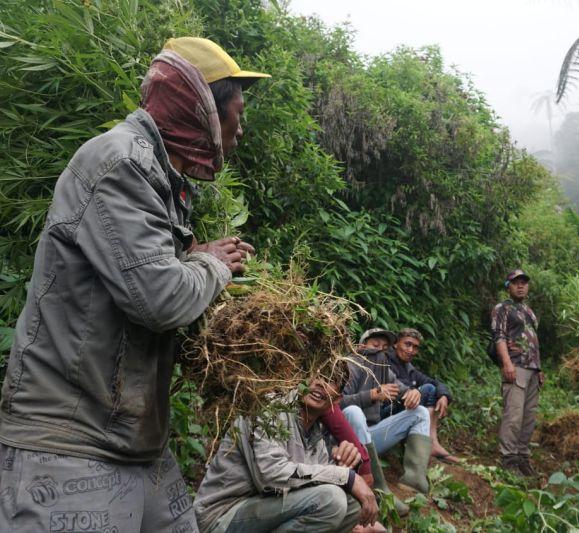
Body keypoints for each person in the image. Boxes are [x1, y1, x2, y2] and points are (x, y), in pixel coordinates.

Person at [0, 37, 267, 531]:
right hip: (70, 445)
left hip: (133, 443)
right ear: (200, 108)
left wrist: (191, 261)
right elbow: (161, 298)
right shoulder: (121, 162)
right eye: (237, 113)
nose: (241, 130)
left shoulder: (160, 179)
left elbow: (145, 282)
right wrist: (212, 268)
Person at [193, 374, 379, 533]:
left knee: (353, 504)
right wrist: (344, 475)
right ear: (302, 379)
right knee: (331, 500)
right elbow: (271, 477)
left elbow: (308, 483)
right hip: (222, 516)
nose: (320, 382)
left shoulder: (316, 435)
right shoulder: (266, 408)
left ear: (336, 400)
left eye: (331, 380)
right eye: (317, 374)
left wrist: (341, 466)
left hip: (263, 510)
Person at [341, 328, 431, 514]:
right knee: (354, 411)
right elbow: (336, 403)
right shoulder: (351, 365)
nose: (379, 351)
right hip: (345, 442)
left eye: (384, 348)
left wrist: (414, 393)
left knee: (420, 412)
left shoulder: (383, 369)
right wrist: (372, 395)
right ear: (361, 346)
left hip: (370, 438)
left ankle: (413, 479)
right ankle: (380, 490)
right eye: (375, 346)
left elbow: (403, 390)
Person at [491, 269, 543, 477]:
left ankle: (522, 457)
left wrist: (539, 368)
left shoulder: (529, 311)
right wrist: (506, 363)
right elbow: (499, 336)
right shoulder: (502, 308)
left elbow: (533, 341)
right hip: (516, 366)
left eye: (524, 282)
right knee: (514, 414)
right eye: (516, 283)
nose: (520, 286)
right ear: (508, 286)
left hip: (532, 368)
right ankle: (509, 459)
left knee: (528, 416)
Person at [387, 328, 459, 464]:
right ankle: (430, 444)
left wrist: (444, 395)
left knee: (434, 390)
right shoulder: (384, 361)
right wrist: (414, 392)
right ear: (396, 344)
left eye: (415, 347)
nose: (411, 350)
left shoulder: (410, 369)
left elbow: (435, 382)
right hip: (386, 412)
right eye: (407, 344)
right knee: (428, 389)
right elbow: (395, 389)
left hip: (403, 410)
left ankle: (431, 442)